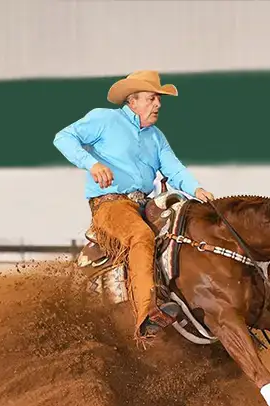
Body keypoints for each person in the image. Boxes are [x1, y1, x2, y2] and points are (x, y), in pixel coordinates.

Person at [53, 70, 216, 341]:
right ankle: (147, 315)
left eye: (159, 99)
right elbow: (63, 137)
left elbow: (174, 169)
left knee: (186, 231)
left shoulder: (156, 136)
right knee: (141, 236)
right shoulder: (105, 119)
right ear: (133, 101)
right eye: (152, 98)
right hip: (111, 204)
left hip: (145, 204)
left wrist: (197, 189)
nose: (158, 104)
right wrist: (92, 164)